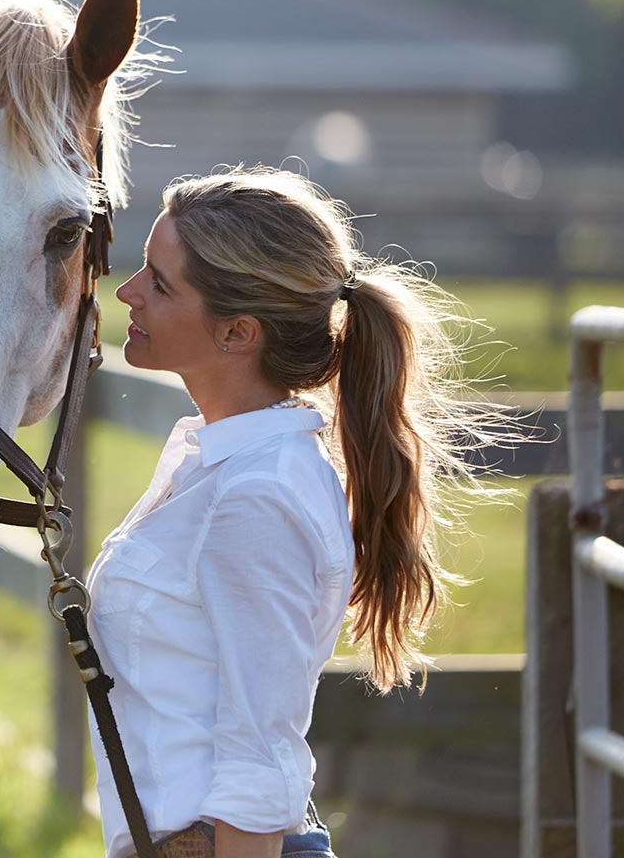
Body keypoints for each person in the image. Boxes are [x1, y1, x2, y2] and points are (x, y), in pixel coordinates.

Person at [88, 167, 509, 858]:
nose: (127, 292)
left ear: (237, 333)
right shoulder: (217, 463)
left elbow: (259, 761)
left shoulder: (258, 497)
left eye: (160, 284)